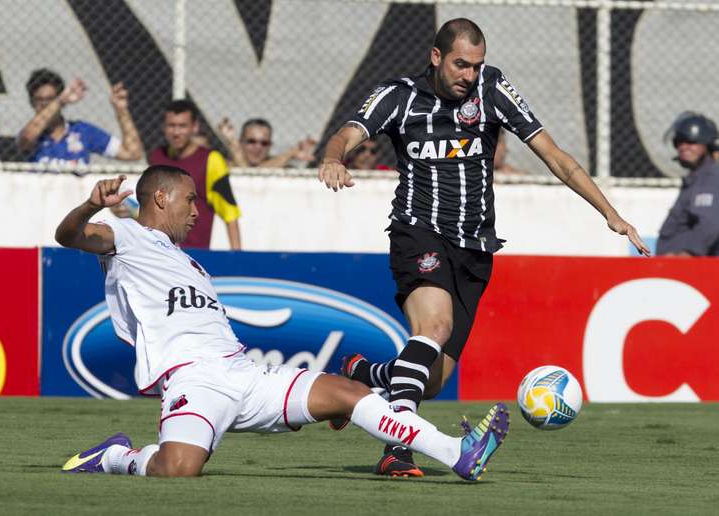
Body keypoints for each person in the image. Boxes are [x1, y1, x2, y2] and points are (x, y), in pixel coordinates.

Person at [319, 17, 650, 477]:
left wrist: (608, 212)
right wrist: (334, 157)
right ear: (436, 57)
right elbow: (349, 131)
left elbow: (553, 153)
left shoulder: (491, 89)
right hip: (419, 232)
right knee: (433, 326)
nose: (468, 76)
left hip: (475, 249)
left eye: (476, 66)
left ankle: (361, 374)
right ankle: (398, 449)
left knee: (432, 380)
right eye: (460, 65)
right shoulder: (399, 96)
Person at [55, 167, 510, 480]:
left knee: (350, 393)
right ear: (161, 196)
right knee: (178, 470)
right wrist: (89, 205)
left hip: (243, 372)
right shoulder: (129, 237)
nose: (197, 211)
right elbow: (70, 236)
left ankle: (457, 452)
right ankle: (115, 456)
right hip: (194, 381)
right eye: (191, 200)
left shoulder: (191, 265)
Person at [149, 100, 241, 250]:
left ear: (195, 127)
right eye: (171, 126)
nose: (176, 132)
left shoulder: (212, 160)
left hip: (194, 256)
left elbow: (230, 213)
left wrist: (238, 259)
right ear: (163, 127)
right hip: (158, 252)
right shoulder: (157, 157)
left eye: (182, 126)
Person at [18, 68, 143, 166]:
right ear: (31, 102)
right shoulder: (31, 133)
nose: (45, 104)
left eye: (50, 99)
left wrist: (121, 110)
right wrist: (60, 101)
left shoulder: (83, 131)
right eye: (39, 100)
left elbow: (132, 153)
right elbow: (27, 138)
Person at [656, 112, 719, 256]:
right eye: (679, 142)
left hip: (694, 271)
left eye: (691, 142)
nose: (683, 147)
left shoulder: (711, 177)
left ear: (707, 145)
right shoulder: (696, 178)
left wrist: (687, 254)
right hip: (680, 271)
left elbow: (710, 224)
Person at [217, 117, 316, 168]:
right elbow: (249, 174)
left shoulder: (284, 169)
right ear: (241, 142)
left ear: (270, 146)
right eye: (251, 141)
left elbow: (253, 175)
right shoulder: (224, 165)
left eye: (264, 143)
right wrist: (290, 154)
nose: (258, 147)